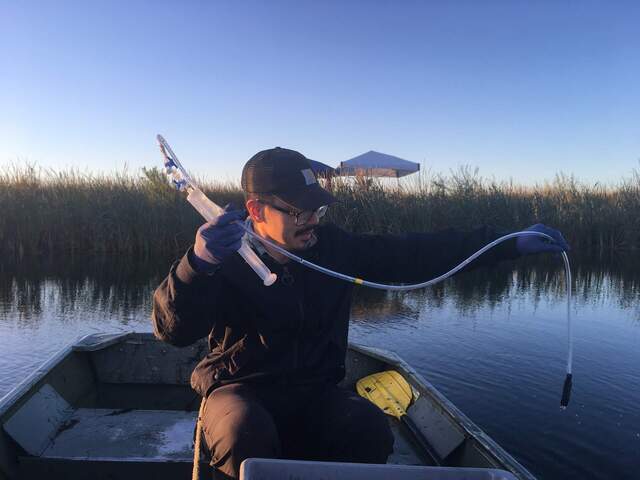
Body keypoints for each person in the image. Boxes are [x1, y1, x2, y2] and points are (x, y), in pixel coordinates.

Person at [151, 147, 569, 479]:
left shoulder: (334, 249)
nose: (313, 221)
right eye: (299, 212)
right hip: (239, 391)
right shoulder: (223, 254)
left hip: (315, 392)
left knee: (367, 429)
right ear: (257, 211)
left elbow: (416, 253)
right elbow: (172, 330)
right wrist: (197, 264)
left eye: (317, 209)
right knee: (244, 432)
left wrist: (507, 243)